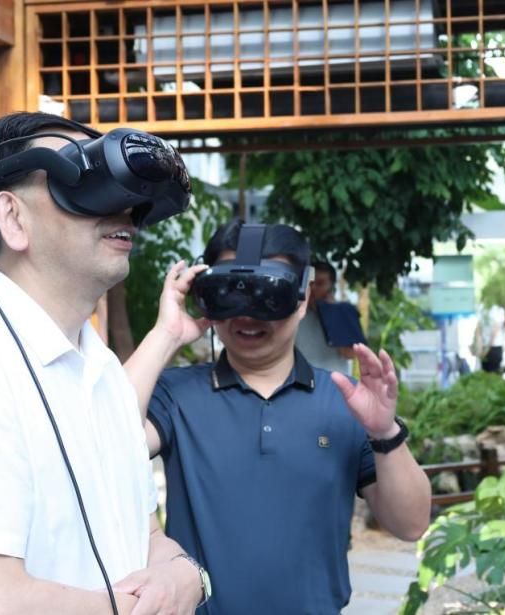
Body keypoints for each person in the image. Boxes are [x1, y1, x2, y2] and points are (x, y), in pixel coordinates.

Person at [0, 112, 205, 615]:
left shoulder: (104, 370)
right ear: (13, 219)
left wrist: (186, 573)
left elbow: (145, 535)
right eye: (82, 180)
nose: (124, 207)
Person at [124, 220, 432, 614]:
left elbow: (411, 524)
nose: (247, 314)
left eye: (268, 293)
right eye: (231, 293)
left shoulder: (346, 401)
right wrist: (165, 334)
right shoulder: (177, 394)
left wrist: (384, 431)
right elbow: (103, 444)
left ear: (302, 299)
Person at [295, 260, 358, 375]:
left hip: (334, 382)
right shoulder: (295, 314)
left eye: (320, 284)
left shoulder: (343, 313)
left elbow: (349, 353)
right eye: (310, 283)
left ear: (331, 287)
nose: (313, 288)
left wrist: (330, 314)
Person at [474, 304, 505, 373]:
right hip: (490, 347)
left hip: (493, 346)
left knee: (489, 372)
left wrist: (484, 348)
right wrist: (482, 348)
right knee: (490, 373)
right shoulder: (483, 308)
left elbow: (494, 331)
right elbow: (479, 329)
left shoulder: (497, 309)